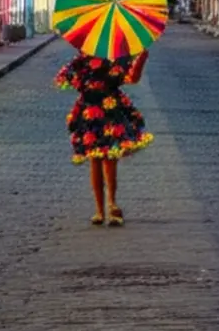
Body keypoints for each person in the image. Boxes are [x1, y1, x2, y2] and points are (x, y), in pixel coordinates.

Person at [54, 51, 152, 227]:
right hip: (90, 112)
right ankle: (100, 210)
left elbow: (132, 78)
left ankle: (112, 204)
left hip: (110, 111)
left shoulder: (117, 59)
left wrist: (141, 58)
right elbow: (64, 79)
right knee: (95, 160)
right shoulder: (83, 60)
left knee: (109, 159)